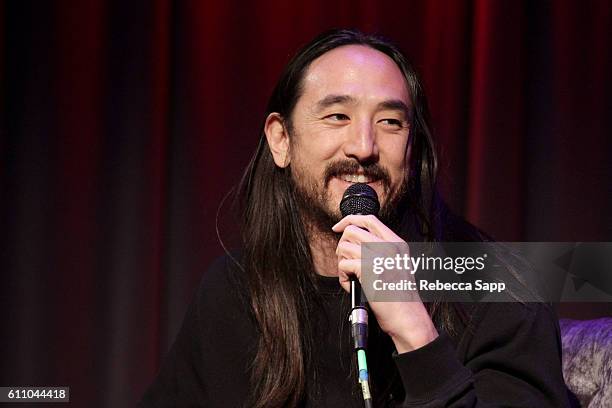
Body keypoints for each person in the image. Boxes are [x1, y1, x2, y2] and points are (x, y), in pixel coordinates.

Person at [141, 29, 571, 407]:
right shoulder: (237, 290)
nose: (364, 146)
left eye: (390, 122)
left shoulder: (500, 283)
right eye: (337, 116)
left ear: (412, 147)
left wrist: (415, 332)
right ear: (281, 140)